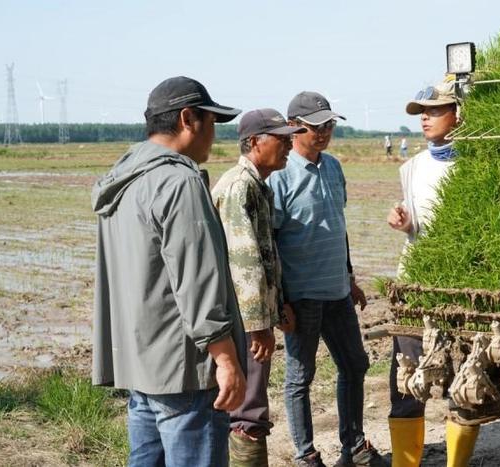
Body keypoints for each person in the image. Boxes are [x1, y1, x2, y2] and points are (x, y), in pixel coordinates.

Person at [91, 76, 247, 467]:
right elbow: (198, 279)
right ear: (187, 119)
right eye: (211, 122)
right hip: (185, 371)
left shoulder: (125, 178)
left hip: (141, 365)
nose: (214, 134)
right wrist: (225, 360)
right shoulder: (178, 181)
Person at [268, 91, 383, 467]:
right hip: (301, 295)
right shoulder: (279, 176)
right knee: (301, 376)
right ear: (294, 128)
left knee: (355, 364)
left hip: (336, 290)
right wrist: (279, 300)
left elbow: (339, 226)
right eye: (317, 126)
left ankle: (354, 446)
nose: (325, 132)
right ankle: (305, 455)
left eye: (329, 125)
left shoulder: (333, 167)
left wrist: (349, 277)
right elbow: (270, 242)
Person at [386, 76, 480, 467]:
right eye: (421, 113)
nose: (425, 120)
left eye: (434, 111)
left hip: (462, 284)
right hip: (416, 283)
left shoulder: (476, 167)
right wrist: (404, 221)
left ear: (458, 114)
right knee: (406, 379)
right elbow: (417, 224)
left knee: (466, 381)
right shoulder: (411, 167)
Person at [210, 108, 306, 467]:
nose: (287, 146)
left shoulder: (256, 185)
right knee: (248, 411)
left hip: (251, 316)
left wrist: (278, 304)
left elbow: (266, 255)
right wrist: (258, 327)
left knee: (250, 405)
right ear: (254, 143)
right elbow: (245, 262)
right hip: (241, 321)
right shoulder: (239, 187)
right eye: (280, 139)